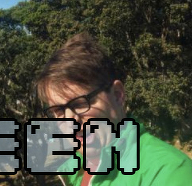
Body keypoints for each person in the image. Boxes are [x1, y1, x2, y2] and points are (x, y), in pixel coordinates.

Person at [34, 33, 192, 185]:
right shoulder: (76, 170)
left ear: (117, 95)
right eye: (59, 111)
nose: (70, 123)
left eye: (80, 103)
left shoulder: (169, 173)